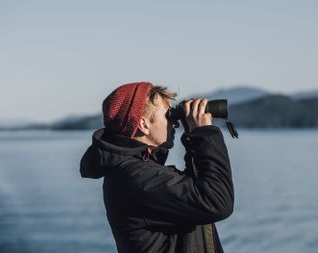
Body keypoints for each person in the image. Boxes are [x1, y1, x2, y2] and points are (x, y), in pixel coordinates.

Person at [80, 82, 234, 253]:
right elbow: (217, 201)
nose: (174, 124)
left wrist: (193, 137)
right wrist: (204, 133)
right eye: (169, 115)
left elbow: (198, 189)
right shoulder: (135, 178)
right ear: (143, 124)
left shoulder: (137, 171)